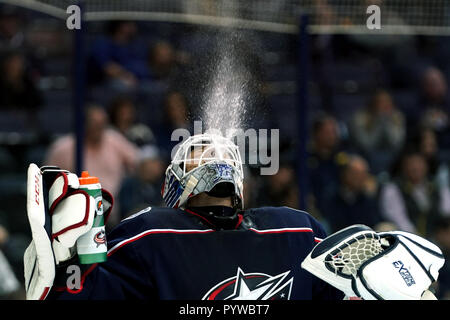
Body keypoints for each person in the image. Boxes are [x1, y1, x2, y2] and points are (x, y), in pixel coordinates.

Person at [30, 133, 344, 300]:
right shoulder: (149, 233)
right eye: (198, 155)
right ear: (173, 185)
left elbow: (342, 292)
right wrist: (70, 264)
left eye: (219, 153)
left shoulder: (297, 229)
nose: (212, 155)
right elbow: (88, 293)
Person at [44, 105, 139, 226]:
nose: (99, 128)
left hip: (115, 214)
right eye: (94, 123)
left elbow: (138, 162)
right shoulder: (63, 148)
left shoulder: (113, 139)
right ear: (83, 124)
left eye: (102, 123)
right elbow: (46, 183)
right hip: (76, 218)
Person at [379, 150, 450, 237]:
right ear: (403, 167)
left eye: (419, 163)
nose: (416, 167)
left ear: (426, 165)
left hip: (436, 238)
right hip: (406, 239)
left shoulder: (438, 187)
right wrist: (417, 239)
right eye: (411, 164)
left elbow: (446, 213)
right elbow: (399, 219)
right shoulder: (393, 189)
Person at [321, 155, 384, 233]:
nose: (361, 178)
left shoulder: (367, 198)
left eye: (363, 174)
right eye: (356, 174)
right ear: (345, 174)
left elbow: (375, 222)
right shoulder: (333, 196)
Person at [349, 89, 406, 174]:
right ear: (373, 104)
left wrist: (386, 123)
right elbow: (367, 145)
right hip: (367, 157)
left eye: (387, 102)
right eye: (380, 102)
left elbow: (396, 144)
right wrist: (379, 122)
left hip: (392, 156)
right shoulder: (360, 118)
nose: (384, 106)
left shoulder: (397, 117)